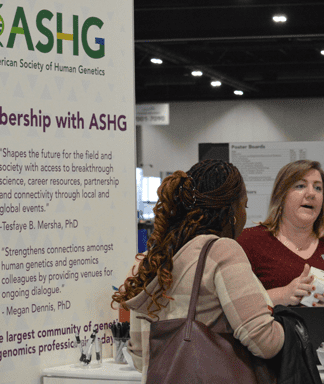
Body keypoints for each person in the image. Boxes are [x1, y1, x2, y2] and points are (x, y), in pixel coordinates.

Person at [112, 160, 284, 383]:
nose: (244, 216)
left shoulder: (148, 262)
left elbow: (138, 356)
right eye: (245, 206)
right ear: (231, 211)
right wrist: (291, 329)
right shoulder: (222, 252)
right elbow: (264, 341)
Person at [237, 160, 324, 307]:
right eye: (300, 186)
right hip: (274, 330)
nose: (311, 193)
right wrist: (282, 295)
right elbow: (235, 302)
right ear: (281, 195)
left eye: (318, 188)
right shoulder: (249, 240)